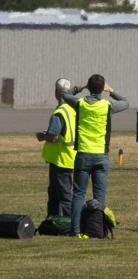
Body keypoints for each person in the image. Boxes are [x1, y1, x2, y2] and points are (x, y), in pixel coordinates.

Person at [62, 74, 129, 236]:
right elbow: (126, 103)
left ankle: (75, 230)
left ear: (90, 87)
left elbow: (65, 95)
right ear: (102, 88)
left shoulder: (80, 103)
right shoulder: (107, 105)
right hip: (101, 155)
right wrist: (111, 90)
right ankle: (98, 229)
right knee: (99, 195)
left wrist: (80, 87)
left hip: (84, 154)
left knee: (79, 194)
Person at [34, 78, 77, 217]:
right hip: (71, 156)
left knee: (63, 196)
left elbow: (53, 137)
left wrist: (42, 136)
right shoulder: (74, 109)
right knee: (55, 193)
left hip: (60, 159)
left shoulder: (60, 112)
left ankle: (70, 224)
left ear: (56, 93)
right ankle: (52, 221)